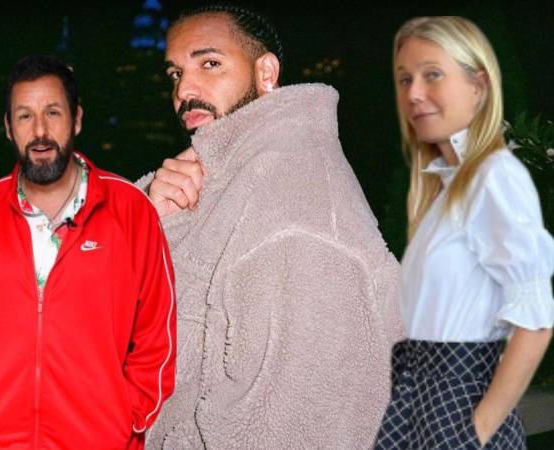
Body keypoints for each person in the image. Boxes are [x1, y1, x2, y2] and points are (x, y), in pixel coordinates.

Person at [135, 5, 403, 449]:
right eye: (175, 73)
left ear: (266, 72)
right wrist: (154, 220)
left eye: (210, 64)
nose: (184, 89)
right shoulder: (224, 178)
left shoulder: (295, 192)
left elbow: (297, 424)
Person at [0, 55, 176, 450]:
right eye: (25, 116)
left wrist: (124, 422)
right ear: (8, 127)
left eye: (53, 113)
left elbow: (157, 337)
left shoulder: (130, 212)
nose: (40, 131)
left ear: (76, 119)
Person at [374, 16, 554, 450]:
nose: (414, 93)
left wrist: (477, 430)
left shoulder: (493, 179)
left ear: (478, 86)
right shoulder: (444, 182)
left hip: (460, 410)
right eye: (405, 78)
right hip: (424, 400)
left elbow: (535, 320)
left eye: (433, 74)